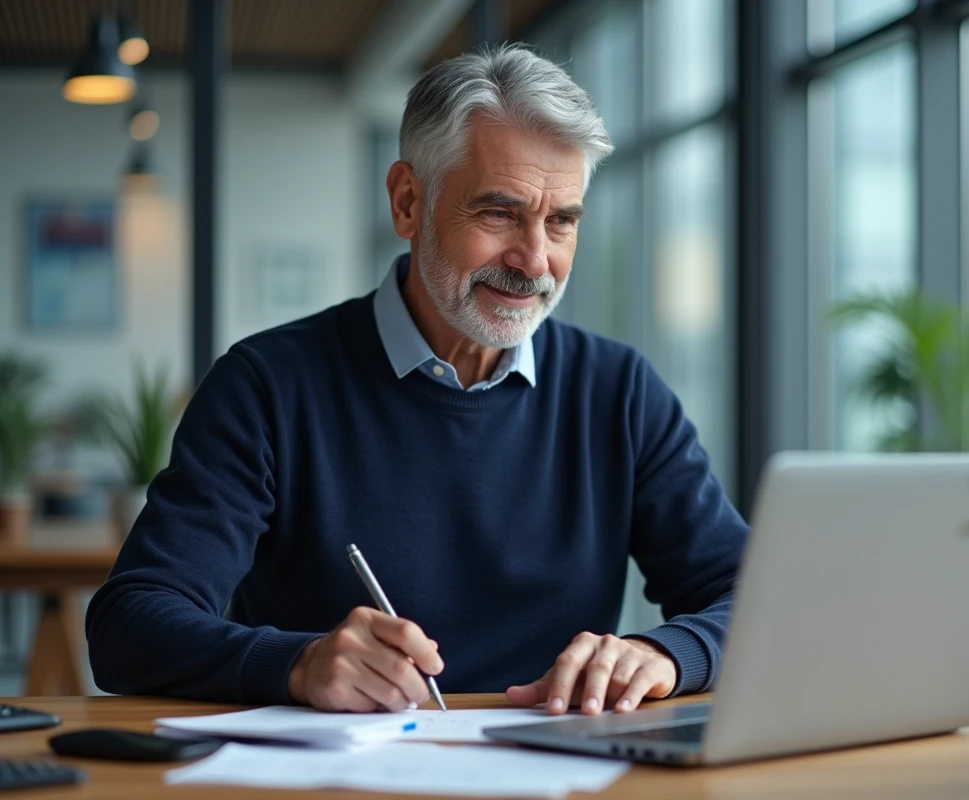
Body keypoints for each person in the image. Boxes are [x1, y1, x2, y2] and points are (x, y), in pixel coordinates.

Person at [86, 44, 748, 717]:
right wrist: (296, 663)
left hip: (562, 770)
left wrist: (669, 653)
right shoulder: (266, 386)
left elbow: (756, 597)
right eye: (498, 214)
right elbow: (128, 624)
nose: (535, 260)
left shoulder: (620, 393)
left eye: (561, 222)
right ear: (408, 202)